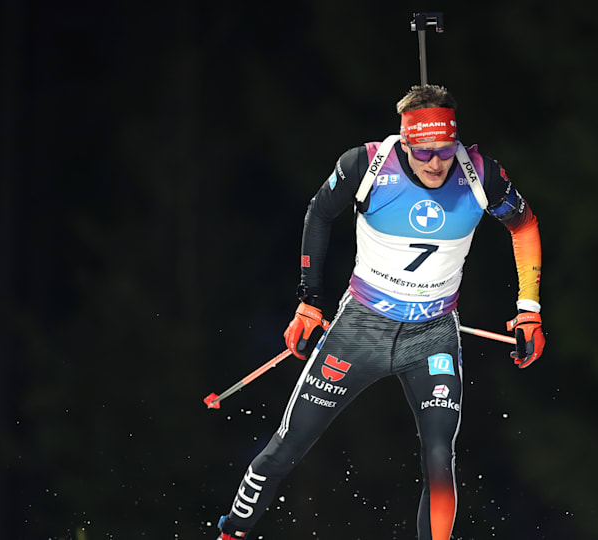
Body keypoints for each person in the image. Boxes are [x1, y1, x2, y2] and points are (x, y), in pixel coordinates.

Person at [216, 84, 545, 540]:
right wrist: (309, 301)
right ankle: (232, 532)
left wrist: (528, 308)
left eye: (445, 149)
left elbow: (524, 225)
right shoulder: (365, 166)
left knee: (438, 454)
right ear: (406, 140)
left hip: (432, 333)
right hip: (361, 329)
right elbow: (319, 213)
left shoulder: (481, 175)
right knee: (288, 446)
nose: (436, 163)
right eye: (424, 151)